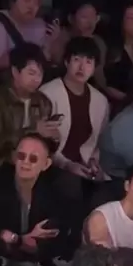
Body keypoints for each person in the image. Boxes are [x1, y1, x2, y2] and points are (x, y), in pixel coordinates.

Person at [0, 134, 83, 266]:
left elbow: (47, 245)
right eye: (21, 156)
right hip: (3, 260)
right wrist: (20, 240)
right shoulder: (2, 181)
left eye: (33, 159)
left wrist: (14, 239)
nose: (25, 162)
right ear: (14, 158)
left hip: (39, 264)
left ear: (46, 164)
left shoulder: (57, 191)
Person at [41, 36, 109, 182]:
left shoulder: (100, 101)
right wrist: (66, 165)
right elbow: (41, 141)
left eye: (88, 62)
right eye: (77, 60)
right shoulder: (48, 93)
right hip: (52, 166)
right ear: (67, 62)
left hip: (83, 168)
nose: (82, 67)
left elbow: (98, 142)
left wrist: (93, 161)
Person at [0, 43, 56, 165]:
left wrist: (53, 138)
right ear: (15, 72)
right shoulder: (2, 100)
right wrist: (33, 129)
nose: (37, 79)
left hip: (33, 164)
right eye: (31, 73)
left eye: (40, 74)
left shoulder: (43, 102)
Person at [0, 0, 59, 70]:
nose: (31, 6)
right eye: (27, 1)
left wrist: (52, 42)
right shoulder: (1, 24)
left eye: (36, 2)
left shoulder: (42, 26)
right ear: (12, 1)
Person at [48, 1, 107, 85]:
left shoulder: (98, 43)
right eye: (84, 17)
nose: (90, 23)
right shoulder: (58, 37)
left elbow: (99, 77)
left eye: (93, 18)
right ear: (71, 19)